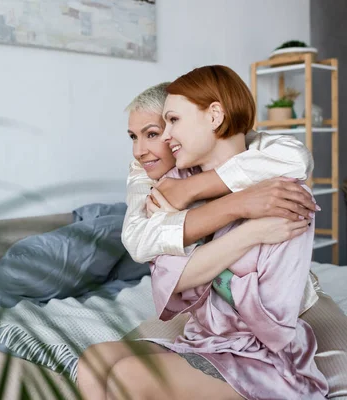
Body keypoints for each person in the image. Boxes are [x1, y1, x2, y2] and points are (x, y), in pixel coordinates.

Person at [76, 68, 330, 399]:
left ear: (213, 116)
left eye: (172, 122)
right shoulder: (170, 186)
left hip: (262, 358)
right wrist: (251, 231)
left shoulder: (282, 194)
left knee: (129, 374)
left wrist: (201, 266)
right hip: (204, 340)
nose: (165, 137)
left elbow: (274, 322)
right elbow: (167, 276)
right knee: (93, 361)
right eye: (150, 131)